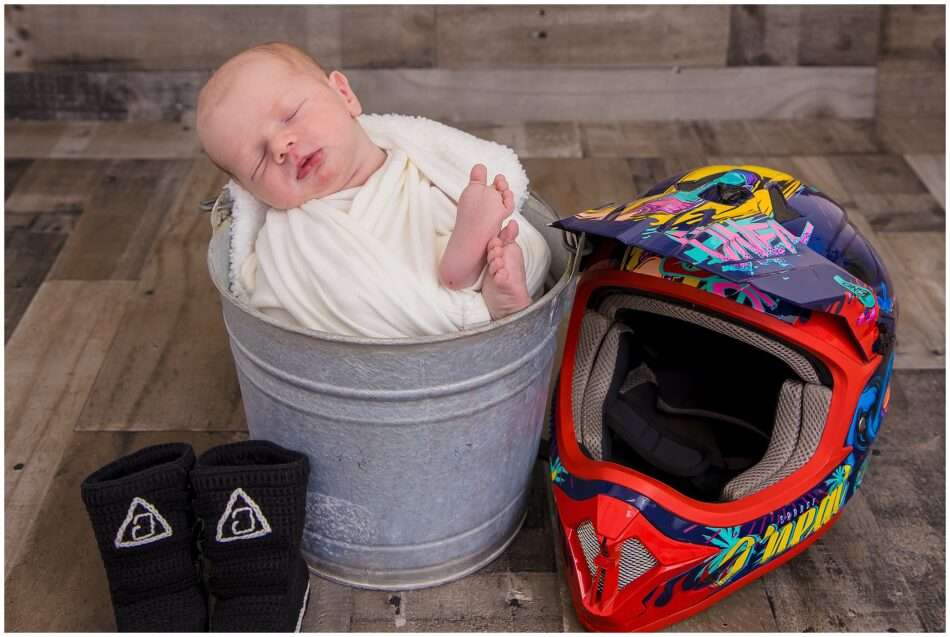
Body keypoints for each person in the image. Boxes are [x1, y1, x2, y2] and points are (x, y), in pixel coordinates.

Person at [197, 42, 547, 334]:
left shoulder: (415, 166)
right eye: (258, 160)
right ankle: (476, 302)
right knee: (297, 283)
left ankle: (471, 266)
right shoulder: (291, 237)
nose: (280, 146)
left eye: (290, 115)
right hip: (383, 311)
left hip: (432, 234)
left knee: (509, 239)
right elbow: (271, 301)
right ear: (251, 191)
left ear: (344, 94)